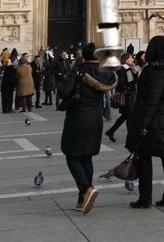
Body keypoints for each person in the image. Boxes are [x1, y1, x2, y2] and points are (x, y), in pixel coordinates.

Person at [127, 35, 164, 209]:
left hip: (156, 120)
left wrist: (143, 124)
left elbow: (152, 100)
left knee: (144, 156)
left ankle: (145, 198)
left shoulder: (155, 71)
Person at [58, 43, 116, 214]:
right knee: (86, 157)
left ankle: (87, 189)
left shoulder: (80, 71)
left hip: (78, 118)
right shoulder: (105, 72)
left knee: (72, 156)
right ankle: (83, 198)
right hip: (95, 118)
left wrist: (73, 69)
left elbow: (63, 92)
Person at [105, 55, 138, 143]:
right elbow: (124, 82)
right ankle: (131, 136)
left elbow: (131, 82)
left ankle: (111, 131)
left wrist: (135, 74)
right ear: (126, 60)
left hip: (129, 95)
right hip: (127, 96)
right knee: (129, 116)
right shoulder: (124, 69)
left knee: (126, 116)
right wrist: (128, 91)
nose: (132, 59)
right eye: (130, 58)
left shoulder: (128, 69)